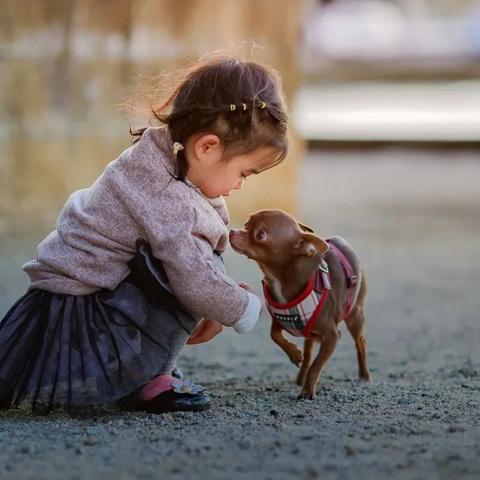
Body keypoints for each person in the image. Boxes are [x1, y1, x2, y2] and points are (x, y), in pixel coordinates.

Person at [0, 56, 289, 414]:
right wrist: (242, 307)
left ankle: (144, 372)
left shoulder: (160, 155)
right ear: (207, 147)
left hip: (79, 299)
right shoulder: (166, 196)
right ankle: (143, 378)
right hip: (83, 314)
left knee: (185, 269)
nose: (240, 184)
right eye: (244, 172)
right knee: (183, 276)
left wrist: (216, 299)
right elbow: (195, 280)